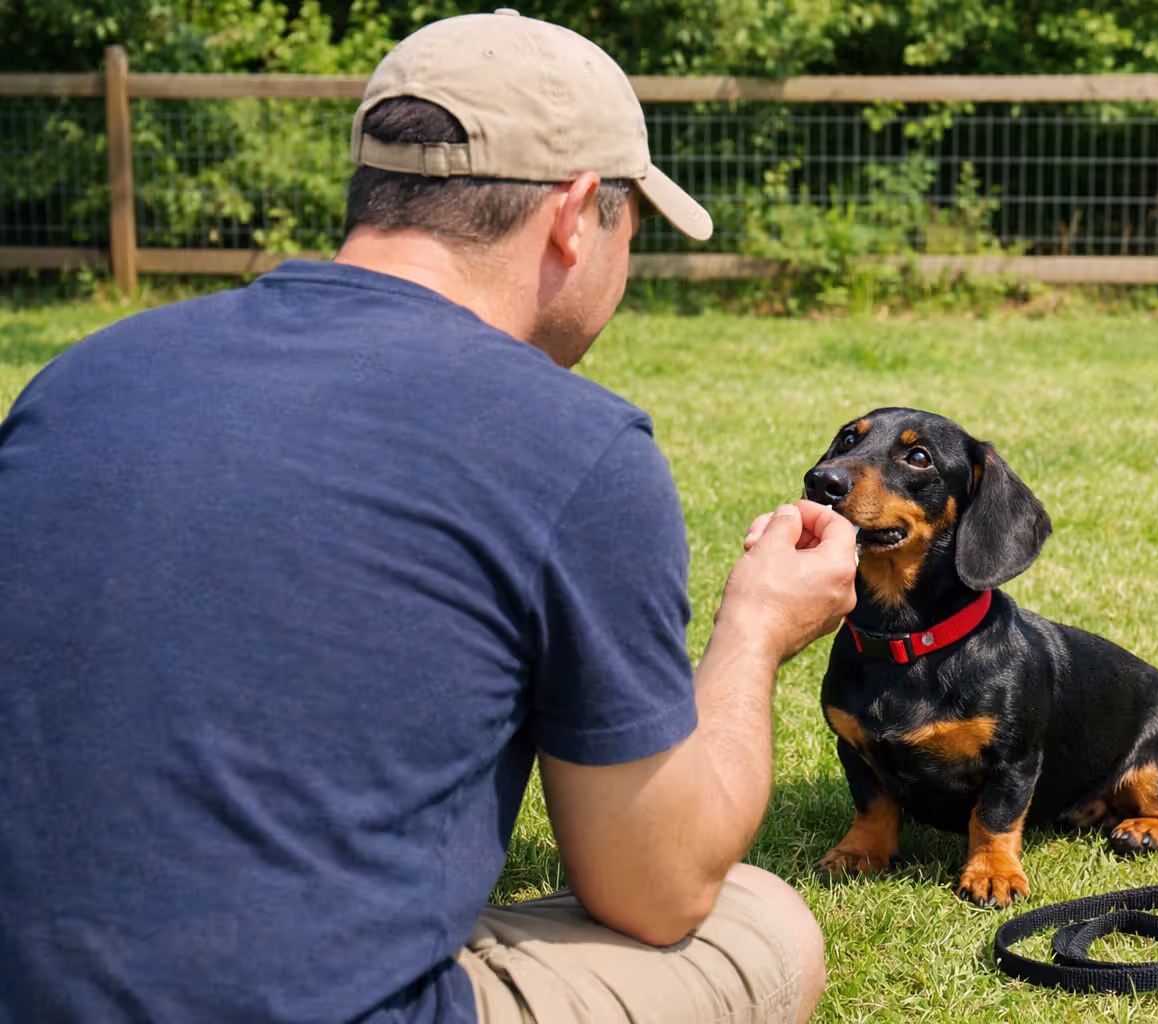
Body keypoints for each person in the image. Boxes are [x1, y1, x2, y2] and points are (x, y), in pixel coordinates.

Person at [0, 12, 857, 1024]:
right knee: (764, 920)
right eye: (632, 222)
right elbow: (656, 889)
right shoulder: (574, 445)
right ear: (579, 213)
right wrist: (755, 629)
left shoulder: (83, 377)